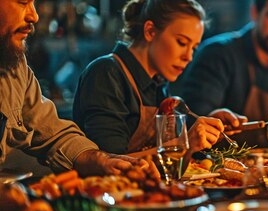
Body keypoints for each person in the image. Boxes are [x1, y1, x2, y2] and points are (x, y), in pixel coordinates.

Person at [0, 0, 156, 178]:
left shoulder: (14, 68)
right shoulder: (107, 72)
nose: (34, 16)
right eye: (22, 2)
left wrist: (100, 160)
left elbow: (52, 133)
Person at [73, 0, 247, 157]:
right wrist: (183, 144)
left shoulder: (158, 82)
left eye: (193, 48)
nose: (189, 57)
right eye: (181, 42)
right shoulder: (107, 73)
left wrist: (205, 130)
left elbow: (164, 148)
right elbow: (109, 163)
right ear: (150, 31)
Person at [180, 0, 268, 147]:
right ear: (255, 13)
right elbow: (194, 121)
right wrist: (213, 119)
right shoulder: (218, 54)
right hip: (220, 166)